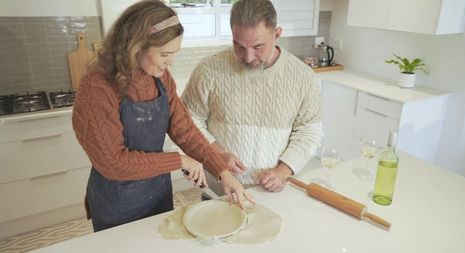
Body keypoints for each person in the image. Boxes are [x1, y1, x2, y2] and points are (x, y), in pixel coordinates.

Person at [72, 0, 253, 232]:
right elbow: (113, 163)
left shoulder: (160, 78)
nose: (170, 62)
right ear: (136, 46)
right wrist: (179, 161)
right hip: (117, 202)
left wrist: (223, 172)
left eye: (174, 53)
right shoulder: (98, 86)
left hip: (157, 193)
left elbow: (185, 131)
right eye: (165, 54)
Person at [181, 0, 323, 197]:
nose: (247, 57)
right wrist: (219, 153)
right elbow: (187, 120)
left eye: (258, 46)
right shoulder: (209, 70)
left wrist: (283, 171)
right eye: (238, 45)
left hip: (272, 193)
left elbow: (309, 131)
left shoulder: (302, 76)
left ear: (277, 34)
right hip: (219, 191)